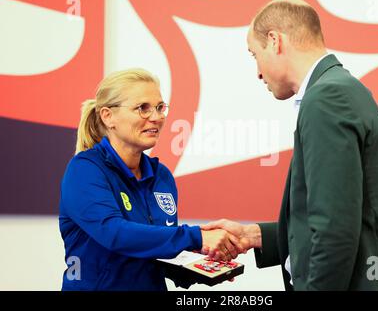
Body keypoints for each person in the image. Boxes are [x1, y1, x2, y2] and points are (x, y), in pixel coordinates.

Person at [202, 0, 378, 290]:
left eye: (254, 55)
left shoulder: (327, 99)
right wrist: (253, 236)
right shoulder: (339, 88)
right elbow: (338, 216)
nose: (257, 71)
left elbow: (335, 229)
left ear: (275, 41)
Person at [59, 68, 242, 291]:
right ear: (108, 116)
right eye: (142, 108)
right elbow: (114, 233)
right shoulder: (85, 170)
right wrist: (197, 237)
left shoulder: (161, 176)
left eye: (159, 107)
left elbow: (154, 253)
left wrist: (203, 267)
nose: (156, 117)